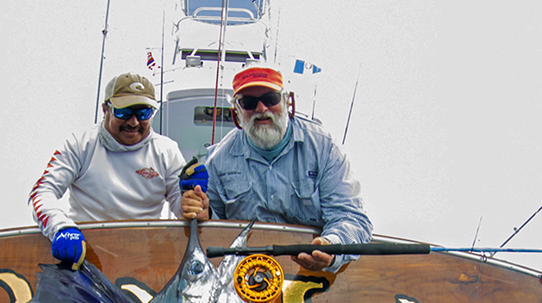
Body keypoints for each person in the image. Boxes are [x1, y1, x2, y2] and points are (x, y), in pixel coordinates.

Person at [180, 65, 372, 272]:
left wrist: (331, 246)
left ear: (287, 102)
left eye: (270, 98)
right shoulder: (217, 160)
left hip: (310, 275)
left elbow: (352, 218)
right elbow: (213, 228)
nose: (261, 109)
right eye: (248, 102)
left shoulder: (324, 147)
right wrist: (204, 212)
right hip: (245, 272)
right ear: (237, 111)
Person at [29, 72, 187, 266]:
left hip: (146, 264)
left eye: (143, 113)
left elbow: (183, 208)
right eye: (124, 112)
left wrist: (196, 201)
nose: (133, 122)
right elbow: (42, 191)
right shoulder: (81, 145)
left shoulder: (167, 150)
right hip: (88, 262)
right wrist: (61, 227)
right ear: (106, 109)